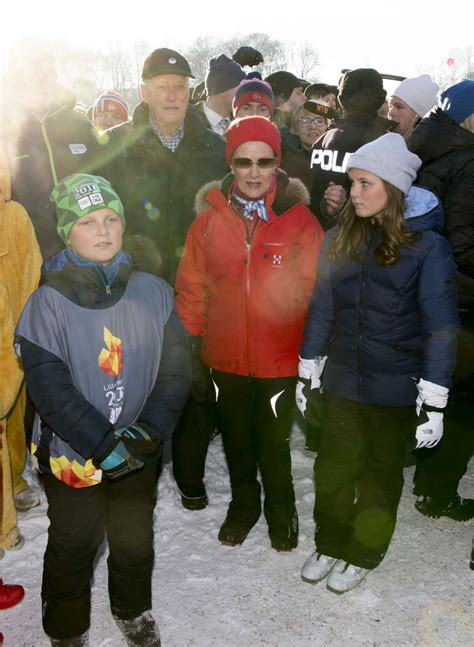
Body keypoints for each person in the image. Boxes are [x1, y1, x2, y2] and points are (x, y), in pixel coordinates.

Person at [14, 173, 191, 646]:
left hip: (139, 447)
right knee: (75, 543)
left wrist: (149, 432)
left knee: (134, 538)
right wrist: (103, 443)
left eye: (111, 218)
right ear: (68, 232)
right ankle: (66, 628)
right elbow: (51, 390)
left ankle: (131, 608)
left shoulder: (154, 291)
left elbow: (175, 371)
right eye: (88, 222)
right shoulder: (46, 304)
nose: (103, 230)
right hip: (75, 455)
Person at [297, 133, 459, 593]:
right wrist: (308, 367)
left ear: (393, 188)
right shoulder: (339, 237)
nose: (355, 192)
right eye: (352, 183)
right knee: (331, 468)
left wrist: (435, 400)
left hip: (396, 388)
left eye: (366, 183)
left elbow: (441, 328)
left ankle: (364, 551)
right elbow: (322, 307)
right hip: (345, 380)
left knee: (378, 476)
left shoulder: (427, 248)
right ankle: (329, 541)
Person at [175, 116, 324, 550]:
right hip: (223, 359)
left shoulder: (299, 221)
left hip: (278, 360)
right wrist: (193, 347)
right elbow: (191, 287)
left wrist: (309, 353)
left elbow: (316, 294)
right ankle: (244, 506)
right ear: (231, 164)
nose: (254, 172)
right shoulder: (207, 221)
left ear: (277, 162)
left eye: (264, 161)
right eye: (244, 162)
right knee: (237, 443)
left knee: (273, 445)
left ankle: (282, 508)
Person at [101, 47, 228, 285]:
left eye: (179, 86)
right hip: (133, 288)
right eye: (162, 87)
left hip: (199, 290)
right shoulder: (112, 148)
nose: (172, 96)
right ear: (144, 92)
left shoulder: (217, 150)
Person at [407, 79, 474, 520]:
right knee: (465, 401)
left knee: (439, 389)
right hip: (463, 295)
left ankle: (425, 474)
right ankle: (436, 489)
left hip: (425, 287)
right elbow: (464, 241)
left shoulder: (424, 147)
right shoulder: (468, 162)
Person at [1, 38, 101, 262]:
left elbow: (104, 184)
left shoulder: (80, 125)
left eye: (46, 72)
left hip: (83, 257)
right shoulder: (4, 129)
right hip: (25, 259)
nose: (38, 80)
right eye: (29, 73)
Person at [0, 150, 42, 525]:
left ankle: (12, 478)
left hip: (8, 331)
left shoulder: (14, 215)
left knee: (13, 409)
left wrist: (25, 324)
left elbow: (31, 267)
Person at [309, 68, 390, 231]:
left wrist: (327, 209)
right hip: (374, 238)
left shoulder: (323, 141)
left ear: (341, 100)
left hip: (326, 235)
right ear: (381, 98)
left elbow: (309, 197)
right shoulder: (390, 144)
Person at [196, 54, 246, 135]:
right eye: (241, 87)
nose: (245, 93)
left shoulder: (243, 123)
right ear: (222, 90)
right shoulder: (186, 122)